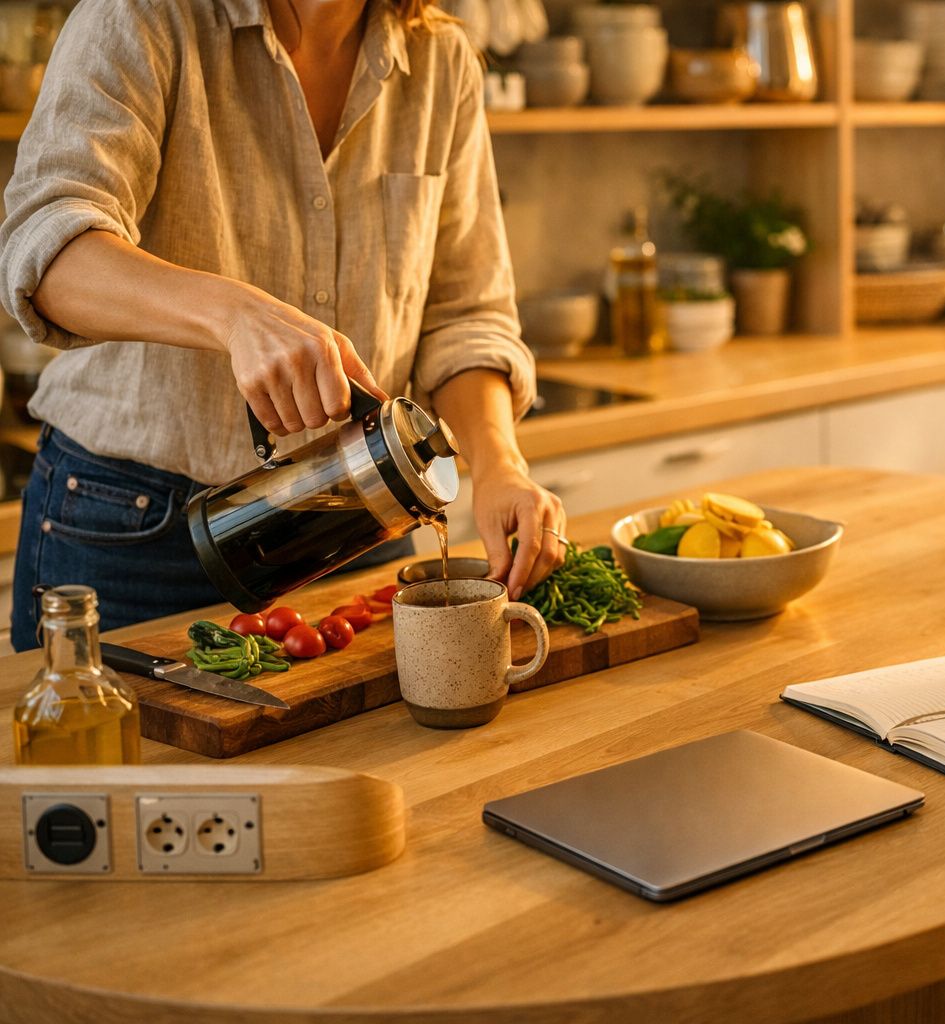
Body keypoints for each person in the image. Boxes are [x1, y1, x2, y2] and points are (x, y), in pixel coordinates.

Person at [0, 0, 565, 649]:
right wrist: (233, 314)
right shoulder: (142, 17)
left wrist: (499, 463)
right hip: (131, 533)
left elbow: (466, 313)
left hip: (361, 517)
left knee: (359, 752)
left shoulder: (440, 60)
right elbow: (45, 254)